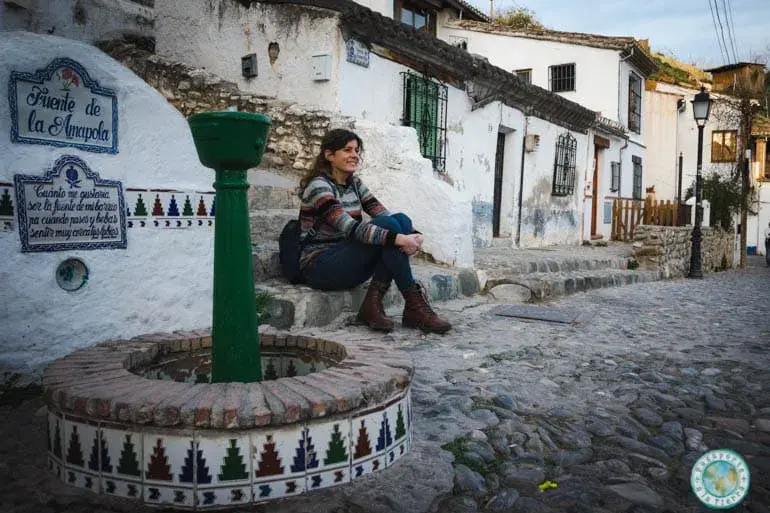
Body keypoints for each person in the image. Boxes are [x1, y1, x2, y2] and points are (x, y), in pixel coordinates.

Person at [296, 128, 451, 334]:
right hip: (320, 266)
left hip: (347, 261)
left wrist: (414, 233)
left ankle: (374, 305)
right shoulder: (319, 187)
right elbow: (350, 228)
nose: (354, 155)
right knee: (391, 232)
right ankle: (413, 304)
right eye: (347, 150)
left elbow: (382, 213)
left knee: (400, 220)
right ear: (329, 155)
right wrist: (400, 239)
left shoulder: (355, 184)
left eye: (357, 150)